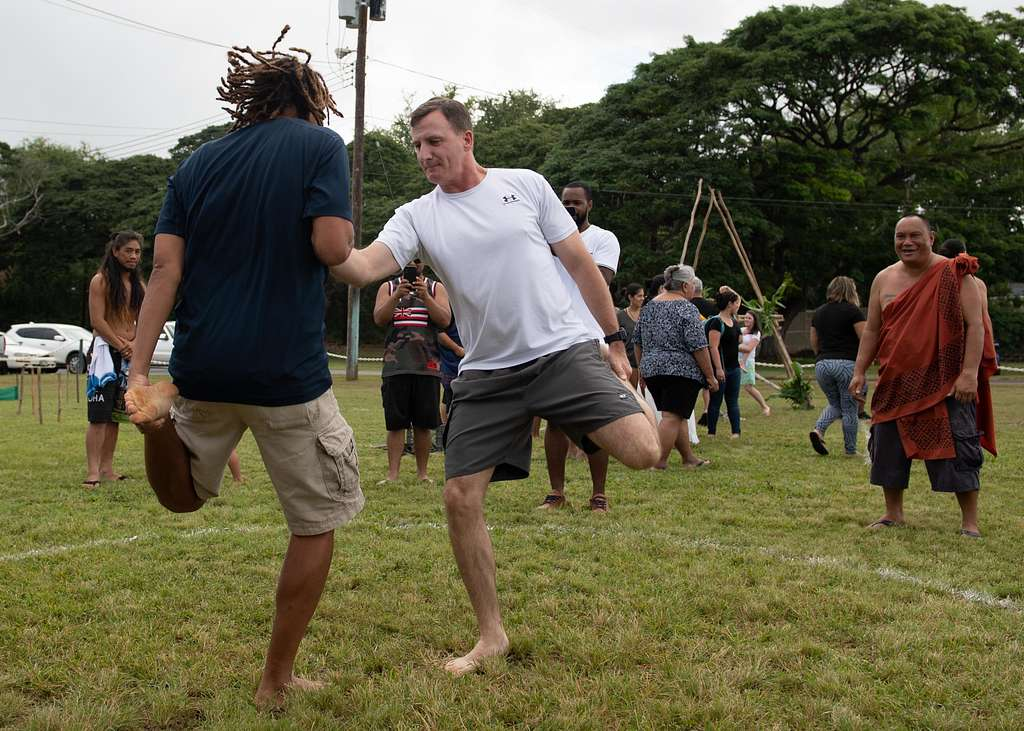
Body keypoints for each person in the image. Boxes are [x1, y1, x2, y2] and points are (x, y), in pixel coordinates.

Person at [328, 97, 659, 675]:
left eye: (433, 141)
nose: (424, 154)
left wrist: (612, 343)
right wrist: (321, 235)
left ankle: (617, 397)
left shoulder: (526, 185)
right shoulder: (417, 215)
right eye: (417, 146)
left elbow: (581, 264)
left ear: (466, 139)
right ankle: (491, 636)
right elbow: (360, 268)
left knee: (644, 452)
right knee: (459, 497)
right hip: (486, 372)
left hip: (562, 350)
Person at [122, 29, 363, 708]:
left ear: (251, 102)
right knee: (315, 521)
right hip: (286, 373)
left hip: (202, 366)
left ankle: (158, 426)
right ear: (309, 100)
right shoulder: (321, 146)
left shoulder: (195, 166)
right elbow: (331, 244)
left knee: (183, 495)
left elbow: (166, 271)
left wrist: (141, 373)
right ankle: (274, 679)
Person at [850, 215, 997, 536]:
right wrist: (859, 370)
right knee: (887, 448)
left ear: (931, 237)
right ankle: (893, 513)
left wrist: (969, 374)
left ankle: (969, 522)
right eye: (900, 236)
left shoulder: (955, 274)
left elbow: (976, 326)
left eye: (915, 235)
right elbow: (873, 329)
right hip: (895, 380)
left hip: (946, 382)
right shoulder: (883, 279)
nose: (907, 242)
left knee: (959, 448)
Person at [539, 181, 622, 513]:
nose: (569, 207)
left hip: (588, 338)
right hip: (550, 338)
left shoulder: (602, 238)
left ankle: (598, 494)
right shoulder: (545, 240)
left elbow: (598, 280)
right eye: (564, 203)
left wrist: (560, 249)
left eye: (576, 202)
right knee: (555, 421)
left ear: (590, 205)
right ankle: (556, 493)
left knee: (594, 419)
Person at [374, 258, 450, 483]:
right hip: (395, 366)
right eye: (408, 259)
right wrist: (397, 295)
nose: (412, 264)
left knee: (424, 424)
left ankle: (422, 474)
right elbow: (379, 318)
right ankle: (393, 475)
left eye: (417, 260)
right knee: (396, 423)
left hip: (427, 367)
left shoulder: (436, 288)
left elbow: (445, 319)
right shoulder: (387, 288)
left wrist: (425, 296)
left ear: (423, 264)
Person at [633, 264, 717, 469]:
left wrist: (642, 368)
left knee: (677, 413)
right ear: (686, 286)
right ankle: (657, 461)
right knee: (671, 416)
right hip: (679, 371)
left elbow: (637, 341)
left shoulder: (649, 306)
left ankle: (688, 458)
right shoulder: (687, 309)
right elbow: (698, 346)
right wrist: (710, 376)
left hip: (652, 369)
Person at [84, 231, 144, 487]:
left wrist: (134, 344)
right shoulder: (101, 281)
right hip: (104, 356)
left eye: (138, 252)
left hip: (128, 353)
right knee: (98, 416)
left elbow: (146, 319)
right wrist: (121, 345)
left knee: (116, 416)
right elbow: (97, 321)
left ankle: (108, 468)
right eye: (129, 251)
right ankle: (93, 472)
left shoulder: (140, 285)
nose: (134, 256)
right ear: (115, 251)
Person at [809, 276, 865, 456]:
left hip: (822, 365)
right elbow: (865, 338)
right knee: (849, 408)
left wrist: (822, 356)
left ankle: (818, 430)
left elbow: (814, 342)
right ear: (851, 291)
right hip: (846, 364)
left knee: (835, 403)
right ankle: (850, 450)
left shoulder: (818, 312)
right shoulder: (853, 311)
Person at [704, 289, 743, 437]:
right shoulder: (716, 322)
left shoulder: (734, 322)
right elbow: (713, 346)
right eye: (735, 303)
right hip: (721, 368)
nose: (737, 305)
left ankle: (736, 432)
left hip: (734, 368)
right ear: (729, 304)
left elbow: (739, 340)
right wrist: (718, 369)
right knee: (716, 401)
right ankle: (711, 432)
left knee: (733, 401)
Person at [437, 317, 465, 440]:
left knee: (447, 399)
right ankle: (448, 437)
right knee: (452, 401)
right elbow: (439, 333)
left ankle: (446, 436)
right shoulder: (448, 305)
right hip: (453, 364)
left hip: (464, 362)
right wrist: (457, 349)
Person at [739, 311, 770, 416]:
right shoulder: (741, 330)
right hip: (735, 360)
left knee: (748, 387)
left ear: (754, 320)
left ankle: (765, 406)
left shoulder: (757, 333)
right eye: (745, 317)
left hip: (748, 362)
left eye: (749, 318)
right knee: (731, 386)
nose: (746, 320)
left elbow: (748, 349)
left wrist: (734, 347)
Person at [617, 283, 645, 389]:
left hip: (646, 363)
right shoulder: (620, 316)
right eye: (639, 296)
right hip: (628, 363)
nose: (642, 298)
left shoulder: (647, 314)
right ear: (630, 297)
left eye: (643, 296)